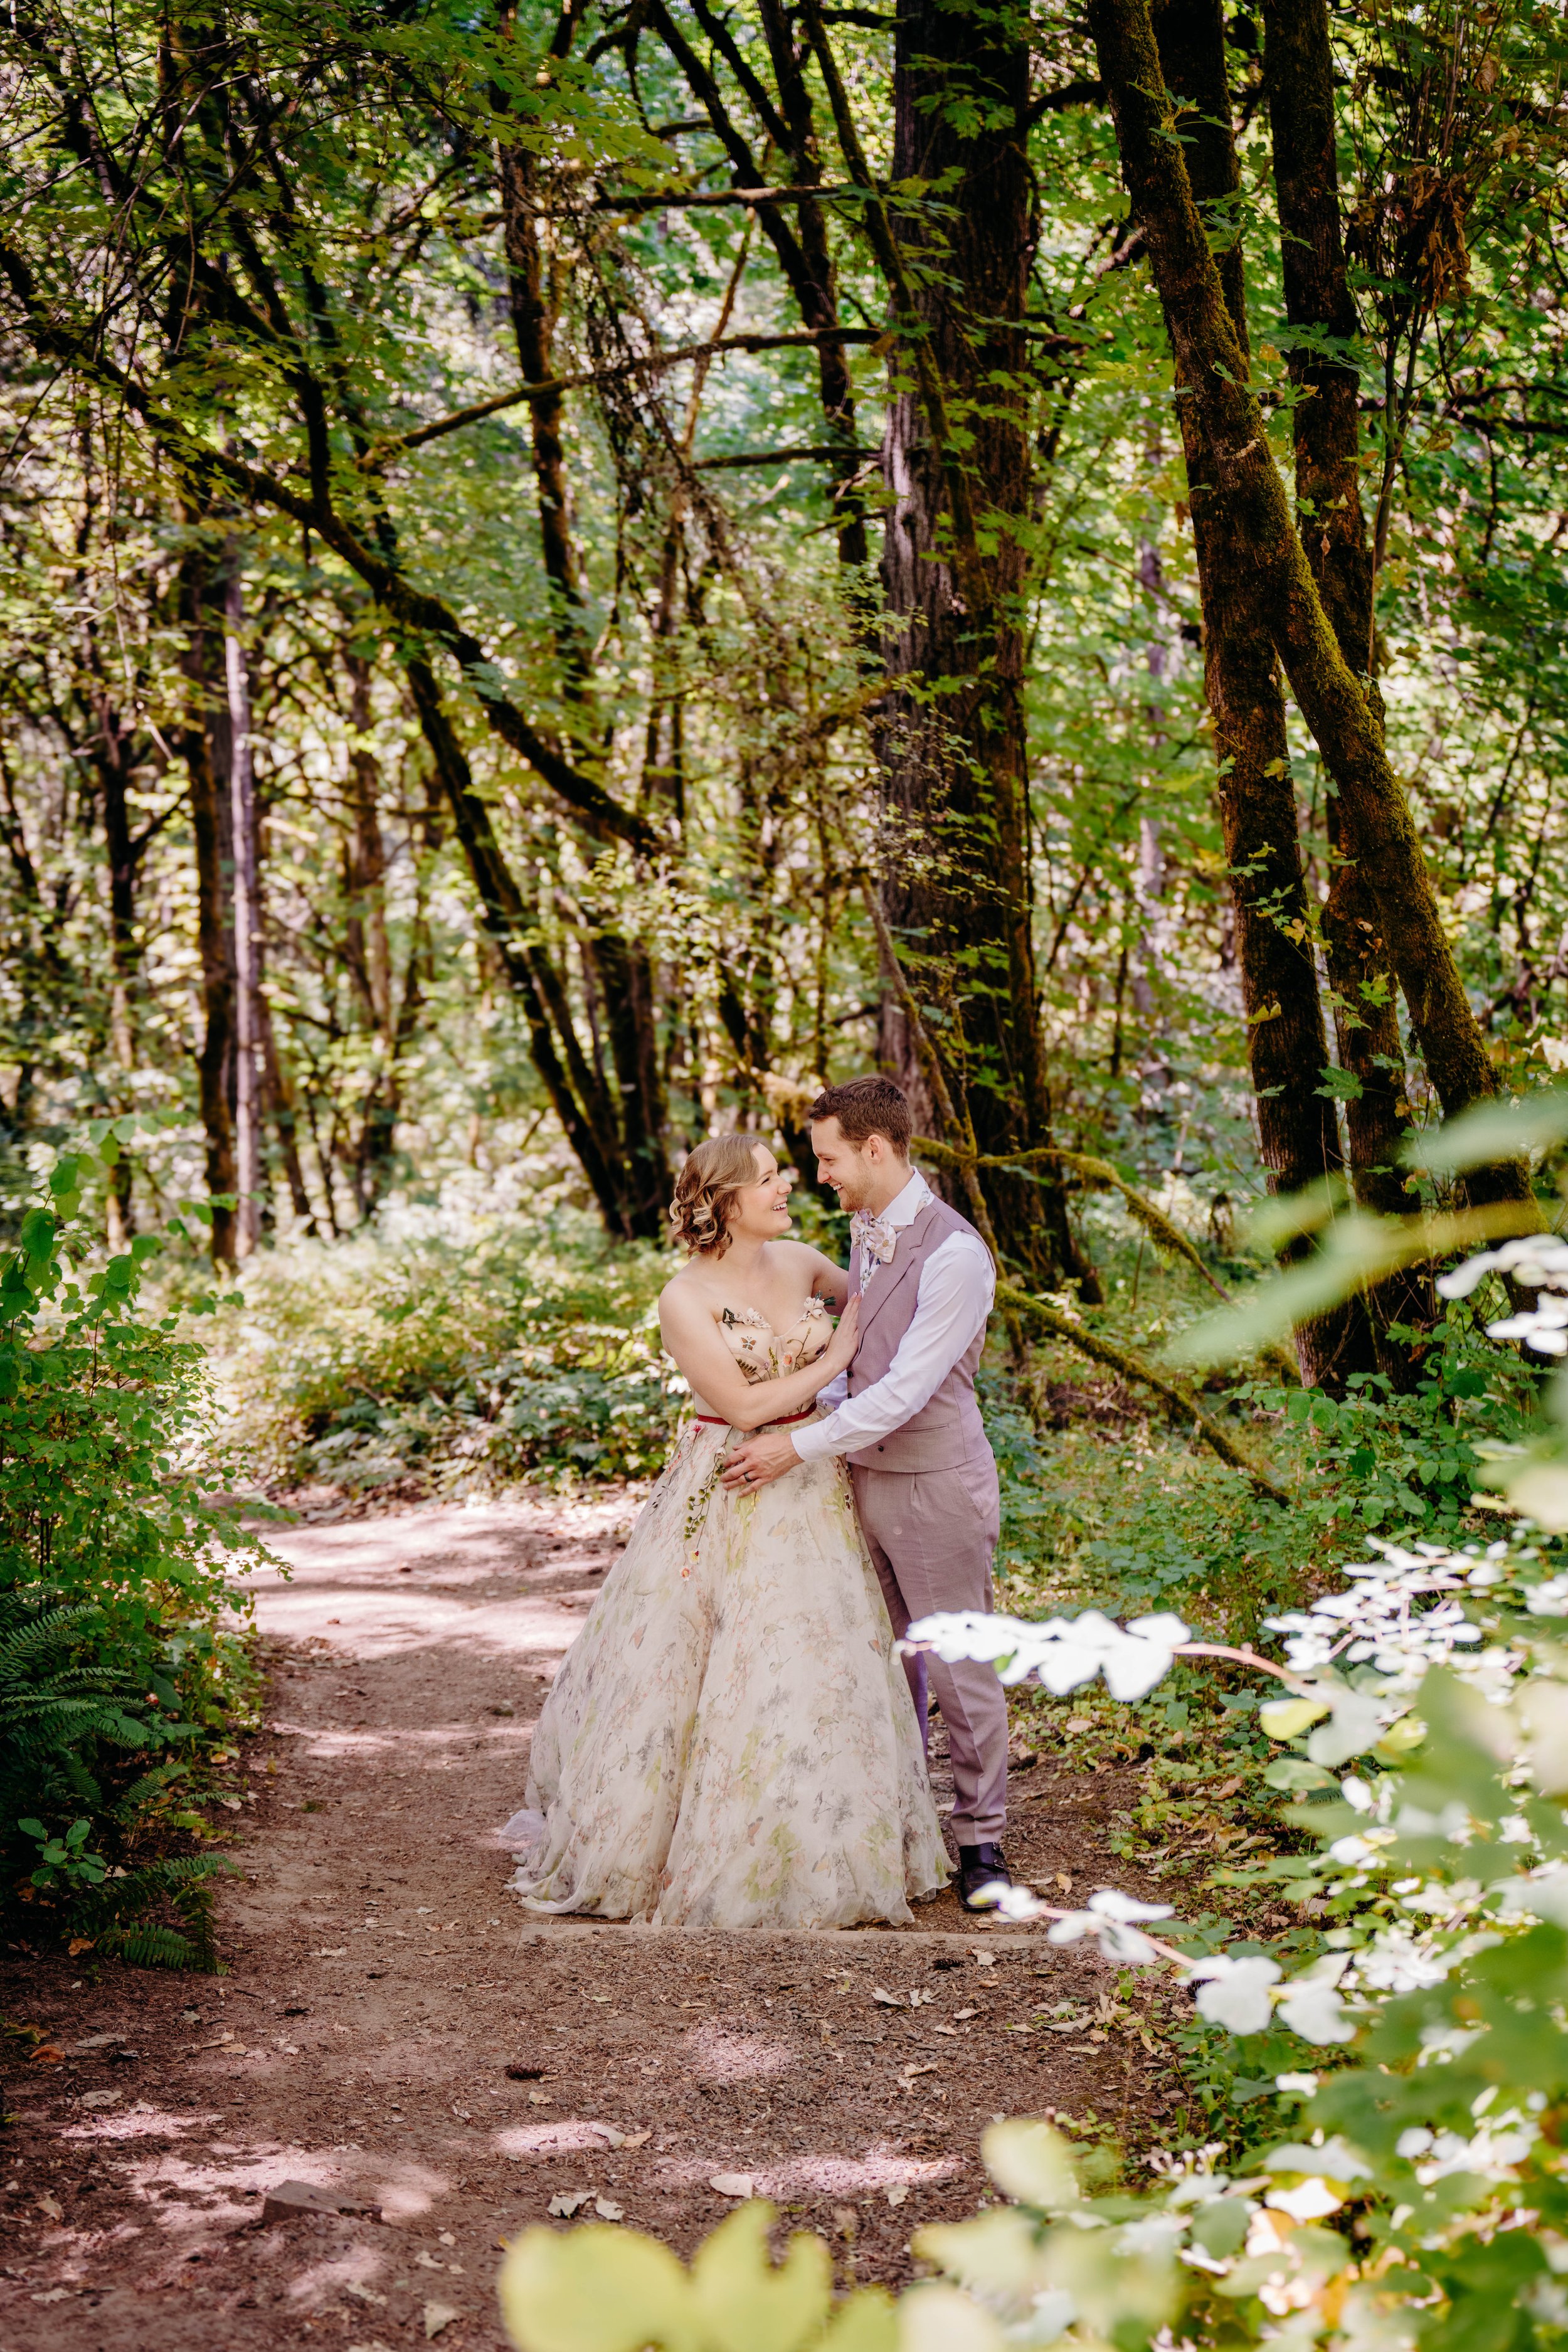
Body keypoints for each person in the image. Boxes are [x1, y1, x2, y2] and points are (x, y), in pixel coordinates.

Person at [502, 1131, 948, 1929]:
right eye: (770, 1181)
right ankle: (699, 1848)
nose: (787, 1189)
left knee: (815, 1659)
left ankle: (821, 1840)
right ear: (723, 1202)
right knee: (710, 1659)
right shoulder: (684, 1297)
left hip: (813, 1481)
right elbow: (745, 1408)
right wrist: (834, 1356)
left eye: (787, 1176)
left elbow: (887, 1308)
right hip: (735, 1478)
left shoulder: (808, 1261)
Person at [723, 1076, 1011, 1914]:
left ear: (877, 1149)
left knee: (957, 1666)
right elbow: (862, 1363)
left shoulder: (956, 1253)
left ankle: (982, 1841)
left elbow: (909, 1388)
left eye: (828, 1157)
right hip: (858, 1481)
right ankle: (897, 1825)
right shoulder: (864, 1228)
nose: (819, 1176)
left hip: (933, 1484)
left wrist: (796, 1446)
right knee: (878, 1664)